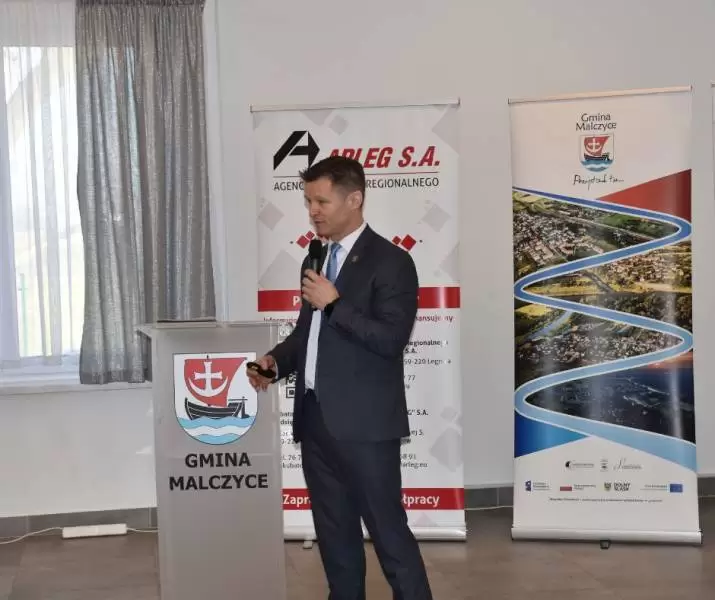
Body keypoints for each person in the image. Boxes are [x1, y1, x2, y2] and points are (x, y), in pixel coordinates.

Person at [247, 155, 432, 599]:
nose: (313, 211)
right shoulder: (316, 259)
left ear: (354, 199)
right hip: (316, 420)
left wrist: (334, 304)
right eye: (308, 201)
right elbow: (306, 335)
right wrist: (275, 363)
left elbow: (390, 340)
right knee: (335, 537)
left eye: (321, 201)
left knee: (389, 535)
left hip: (366, 426)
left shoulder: (392, 262)